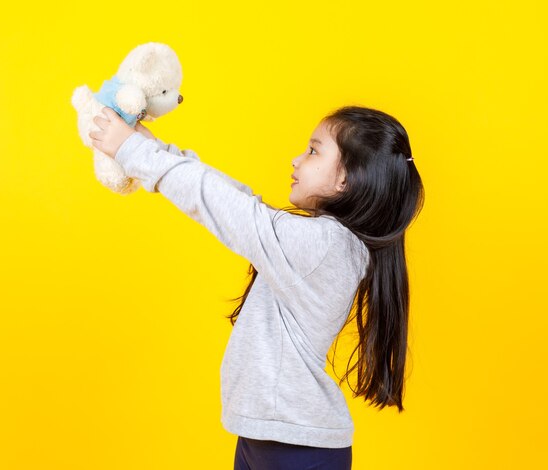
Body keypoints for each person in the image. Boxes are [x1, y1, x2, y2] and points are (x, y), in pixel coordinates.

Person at [89, 105, 425, 470]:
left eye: (314, 151)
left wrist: (134, 153)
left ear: (347, 179)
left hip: (295, 449)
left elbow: (225, 206)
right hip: (269, 439)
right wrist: (156, 151)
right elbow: (241, 202)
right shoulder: (323, 242)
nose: (296, 160)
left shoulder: (324, 245)